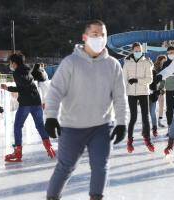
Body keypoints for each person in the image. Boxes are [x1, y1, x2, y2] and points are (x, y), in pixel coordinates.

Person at [45, 20, 127, 200]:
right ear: (85, 37)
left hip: (102, 126)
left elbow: (120, 97)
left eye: (103, 34)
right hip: (72, 127)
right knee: (65, 166)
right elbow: (55, 91)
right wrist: (51, 117)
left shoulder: (113, 65)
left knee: (100, 166)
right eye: (95, 34)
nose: (99, 38)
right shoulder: (70, 62)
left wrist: (121, 122)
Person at [1, 53, 55, 162]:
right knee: (40, 126)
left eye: (11, 63)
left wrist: (8, 88)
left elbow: (22, 87)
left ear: (14, 63)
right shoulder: (27, 70)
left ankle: (18, 152)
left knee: (17, 126)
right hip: (36, 102)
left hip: (26, 104)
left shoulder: (17, 73)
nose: (10, 65)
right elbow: (28, 85)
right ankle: (49, 148)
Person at [123, 42, 154, 153]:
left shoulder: (146, 63)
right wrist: (126, 88)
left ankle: (148, 140)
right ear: (132, 51)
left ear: (142, 50)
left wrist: (137, 80)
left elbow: (150, 79)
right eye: (135, 51)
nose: (137, 52)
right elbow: (124, 79)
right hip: (131, 93)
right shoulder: (127, 63)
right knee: (133, 118)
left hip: (143, 92)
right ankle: (130, 141)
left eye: (139, 50)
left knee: (145, 117)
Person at [150, 55, 166, 137]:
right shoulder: (155, 67)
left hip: (162, 87)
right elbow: (155, 79)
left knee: (161, 105)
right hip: (156, 88)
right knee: (155, 107)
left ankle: (159, 121)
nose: (164, 62)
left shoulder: (166, 67)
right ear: (160, 60)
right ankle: (155, 123)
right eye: (163, 60)